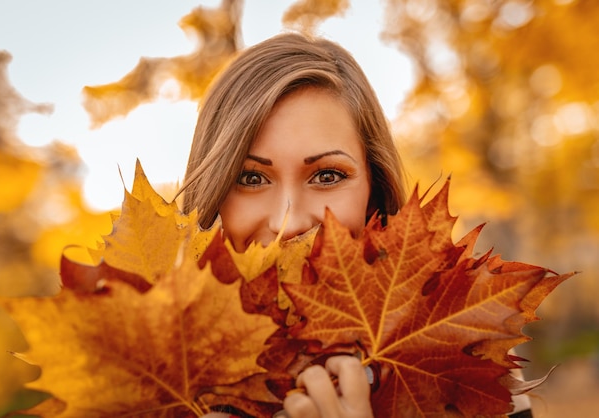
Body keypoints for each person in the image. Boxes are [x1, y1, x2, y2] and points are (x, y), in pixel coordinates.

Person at [178, 32, 532, 418]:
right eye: (250, 178)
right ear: (211, 199)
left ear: (374, 191)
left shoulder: (460, 357)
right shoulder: (144, 374)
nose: (288, 221)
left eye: (327, 176)